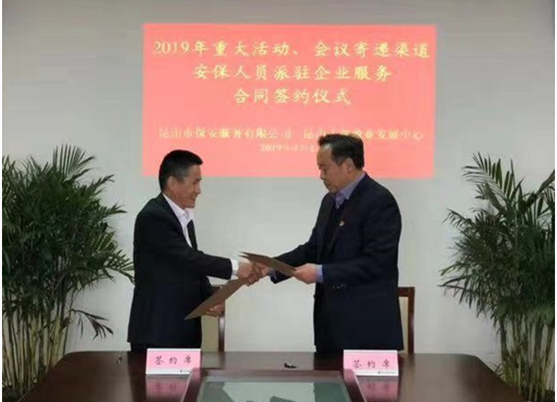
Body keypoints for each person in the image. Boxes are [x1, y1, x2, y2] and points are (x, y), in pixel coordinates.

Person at [263, 133, 403, 355]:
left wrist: (321, 273)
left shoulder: (379, 201)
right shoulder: (329, 201)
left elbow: (378, 263)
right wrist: (270, 266)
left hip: (367, 331)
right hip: (330, 329)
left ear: (348, 165)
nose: (321, 176)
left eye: (325, 169)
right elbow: (313, 249)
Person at [127, 150, 258, 352]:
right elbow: (188, 258)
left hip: (183, 332)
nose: (199, 190)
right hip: (158, 334)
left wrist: (209, 298)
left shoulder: (183, 217)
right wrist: (236, 268)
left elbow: (191, 265)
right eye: (195, 183)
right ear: (173, 183)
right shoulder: (152, 217)